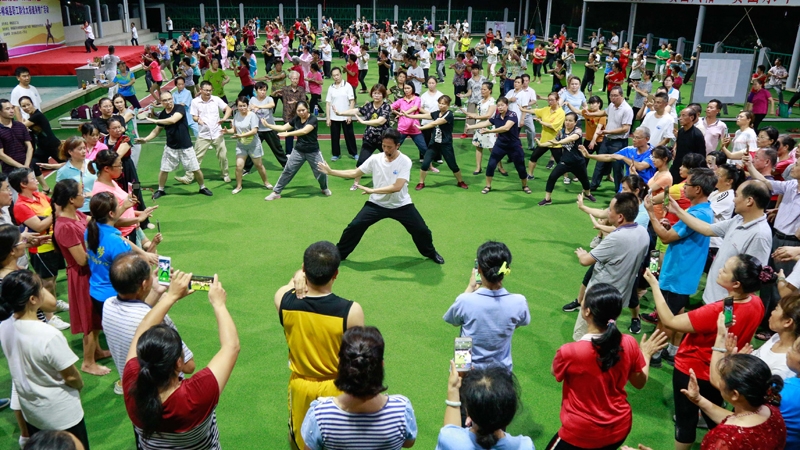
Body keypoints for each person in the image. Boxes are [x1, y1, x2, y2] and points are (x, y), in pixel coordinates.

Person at [646, 252, 772, 449]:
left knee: (685, 421)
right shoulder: (756, 303)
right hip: (723, 372)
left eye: (725, 269)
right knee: (716, 416)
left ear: (736, 283)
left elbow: (670, 321)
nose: (719, 269)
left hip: (693, 370)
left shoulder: (716, 312)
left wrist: (654, 285)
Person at [122, 270, 239, 448]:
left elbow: (143, 328)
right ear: (178, 363)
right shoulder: (195, 395)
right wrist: (219, 305)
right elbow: (231, 346)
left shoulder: (132, 384)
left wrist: (170, 297)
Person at [550, 283, 667, 450]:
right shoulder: (628, 342)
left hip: (581, 433)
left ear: (587, 311)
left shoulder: (569, 352)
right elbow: (639, 383)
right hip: (619, 429)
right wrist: (646, 355)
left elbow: (555, 372)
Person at [274, 241, 364, 450]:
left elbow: (288, 285)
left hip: (300, 387)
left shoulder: (283, 300)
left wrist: (298, 275)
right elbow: (359, 359)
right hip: (338, 389)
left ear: (305, 270)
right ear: (336, 274)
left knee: (300, 439)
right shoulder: (351, 311)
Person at [317, 128, 444, 264]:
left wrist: (373, 191)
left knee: (422, 230)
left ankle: (430, 253)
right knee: (354, 227)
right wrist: (331, 172)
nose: (386, 149)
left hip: (401, 204)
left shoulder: (405, 161)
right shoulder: (375, 159)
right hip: (377, 204)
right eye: (384, 146)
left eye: (389, 147)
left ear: (397, 145)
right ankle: (339, 254)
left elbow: (397, 187)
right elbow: (355, 173)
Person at [0, 270, 89, 449]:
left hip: (32, 412)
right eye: (41, 288)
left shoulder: (4, 325)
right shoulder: (48, 334)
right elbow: (71, 377)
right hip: (61, 414)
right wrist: (79, 385)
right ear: (33, 299)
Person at [300, 326, 417, 449]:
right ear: (381, 365)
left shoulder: (320, 415)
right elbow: (409, 443)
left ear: (341, 363)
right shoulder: (402, 409)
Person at [644, 168, 716, 366]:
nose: (684, 187)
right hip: (682, 271)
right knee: (677, 312)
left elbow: (666, 238)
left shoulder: (699, 213)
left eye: (688, 184)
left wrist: (651, 213)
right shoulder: (700, 210)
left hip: (678, 273)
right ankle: (672, 350)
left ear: (698, 189)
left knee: (666, 317)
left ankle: (655, 354)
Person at [667, 178, 772, 306]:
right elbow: (707, 229)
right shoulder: (738, 219)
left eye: (737, 195)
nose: (733, 200)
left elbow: (752, 280)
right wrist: (678, 211)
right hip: (713, 297)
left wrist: (730, 307)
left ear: (749, 201)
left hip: (726, 304)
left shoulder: (760, 235)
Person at [51, 180, 112, 377]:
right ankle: (88, 362)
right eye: (80, 192)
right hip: (82, 277)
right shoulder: (65, 227)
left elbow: (95, 227)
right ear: (71, 199)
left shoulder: (77, 215)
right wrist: (104, 252)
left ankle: (97, 352)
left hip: (90, 274)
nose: (84, 194)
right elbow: (81, 260)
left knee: (95, 317)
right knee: (90, 319)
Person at [443, 241, 530, 371]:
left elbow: (455, 322)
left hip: (465, 367)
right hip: (500, 371)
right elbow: (517, 323)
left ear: (479, 270)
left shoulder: (465, 300)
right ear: (507, 270)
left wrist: (470, 287)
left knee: (463, 342)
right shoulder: (519, 301)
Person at [436, 362, 533, 450]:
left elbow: (451, 434)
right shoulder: (525, 446)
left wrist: (453, 388)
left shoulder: (449, 440)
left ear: (468, 412)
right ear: (510, 413)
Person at [135, 91, 213, 199]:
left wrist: (154, 120)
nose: (168, 102)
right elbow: (156, 131)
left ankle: (202, 187)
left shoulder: (179, 108)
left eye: (170, 99)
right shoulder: (162, 114)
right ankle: (160, 190)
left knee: (195, 169)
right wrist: (146, 139)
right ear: (161, 102)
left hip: (186, 146)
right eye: (165, 100)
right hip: (171, 147)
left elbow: (172, 120)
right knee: (164, 169)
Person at [465, 97, 531, 195]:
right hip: (500, 145)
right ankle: (488, 186)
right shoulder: (496, 116)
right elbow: (485, 123)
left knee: (520, 166)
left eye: (502, 105)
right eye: (498, 105)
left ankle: (525, 185)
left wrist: (489, 131)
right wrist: (471, 127)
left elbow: (506, 128)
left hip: (514, 146)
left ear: (507, 105)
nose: (500, 107)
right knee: (491, 165)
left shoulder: (512, 115)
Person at [333, 84, 392, 188]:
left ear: (383, 95)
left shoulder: (386, 107)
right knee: (361, 162)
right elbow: (355, 111)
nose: (376, 96)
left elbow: (381, 121)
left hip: (384, 141)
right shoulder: (369, 106)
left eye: (379, 93)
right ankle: (356, 183)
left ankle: (396, 180)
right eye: (374, 93)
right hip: (369, 139)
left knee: (392, 160)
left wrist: (364, 122)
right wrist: (340, 113)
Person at [404, 95, 467, 190]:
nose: (441, 105)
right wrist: (409, 115)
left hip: (446, 144)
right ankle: (421, 183)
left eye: (444, 104)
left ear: (448, 105)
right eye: (440, 103)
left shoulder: (449, 114)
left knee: (453, 165)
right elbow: (424, 115)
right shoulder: (436, 113)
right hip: (434, 144)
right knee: (425, 164)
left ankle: (460, 181)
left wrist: (421, 128)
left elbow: (435, 123)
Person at [176, 81, 232, 185]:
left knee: (223, 156)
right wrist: (198, 120)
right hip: (203, 134)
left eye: (210, 90)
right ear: (200, 90)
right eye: (206, 90)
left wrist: (224, 118)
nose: (208, 92)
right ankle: (188, 177)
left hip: (217, 133)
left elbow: (228, 108)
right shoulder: (195, 102)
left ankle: (225, 174)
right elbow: (194, 116)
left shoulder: (216, 99)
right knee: (196, 157)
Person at [537, 113, 596, 205]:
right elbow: (554, 142)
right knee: (552, 177)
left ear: (575, 122)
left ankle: (587, 194)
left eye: (570, 120)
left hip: (578, 162)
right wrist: (542, 144)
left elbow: (571, 138)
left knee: (584, 180)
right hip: (565, 161)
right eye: (566, 120)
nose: (567, 122)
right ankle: (547, 199)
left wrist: (559, 142)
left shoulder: (578, 131)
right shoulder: (561, 131)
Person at [585, 86, 634, 191]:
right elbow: (604, 112)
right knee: (599, 163)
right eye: (611, 95)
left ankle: (619, 190)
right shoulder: (612, 105)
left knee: (617, 168)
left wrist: (608, 131)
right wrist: (591, 114)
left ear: (621, 96)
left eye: (615, 96)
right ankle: (593, 186)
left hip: (618, 142)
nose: (613, 98)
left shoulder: (627, 109)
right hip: (607, 140)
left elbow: (625, 128)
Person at [223, 96, 273, 194]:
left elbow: (254, 131)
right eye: (240, 106)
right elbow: (235, 130)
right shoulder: (236, 115)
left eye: (244, 106)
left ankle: (266, 182)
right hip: (241, 145)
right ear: (237, 107)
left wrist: (241, 135)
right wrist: (227, 131)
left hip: (253, 145)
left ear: (247, 105)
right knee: (239, 166)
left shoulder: (252, 116)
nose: (242, 108)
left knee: (258, 165)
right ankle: (238, 186)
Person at [581, 126, 656, 188]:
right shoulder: (629, 149)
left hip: (643, 187)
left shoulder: (653, 152)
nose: (634, 140)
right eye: (633, 137)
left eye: (637, 138)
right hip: (627, 185)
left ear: (647, 139)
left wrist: (623, 158)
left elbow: (640, 166)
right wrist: (589, 156)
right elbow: (609, 156)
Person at [18, 96, 63, 193]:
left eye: (28, 104)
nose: (26, 107)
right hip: (42, 148)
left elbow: (21, 127)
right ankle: (46, 188)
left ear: (32, 104)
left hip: (53, 145)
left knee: (68, 165)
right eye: (23, 106)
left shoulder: (37, 116)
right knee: (34, 163)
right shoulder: (31, 117)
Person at [326, 67, 358, 161]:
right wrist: (328, 118)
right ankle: (336, 154)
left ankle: (354, 153)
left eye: (337, 75)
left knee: (349, 135)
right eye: (334, 75)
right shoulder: (331, 87)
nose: (336, 77)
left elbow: (352, 101)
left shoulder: (347, 86)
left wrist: (349, 115)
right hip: (334, 116)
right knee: (335, 136)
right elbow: (328, 103)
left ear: (341, 74)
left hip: (345, 115)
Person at [0, 99, 33, 176]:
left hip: (28, 168)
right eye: (7, 109)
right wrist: (21, 166)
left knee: (33, 188)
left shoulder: (20, 126)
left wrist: (27, 165)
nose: (12, 111)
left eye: (12, 108)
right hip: (10, 172)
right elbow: (1, 154)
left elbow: (29, 147)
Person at [672, 107, 707, 179]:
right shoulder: (681, 131)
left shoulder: (697, 134)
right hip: (677, 165)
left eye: (683, 115)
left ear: (691, 117)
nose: (680, 118)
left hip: (689, 168)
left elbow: (701, 155)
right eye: (680, 115)